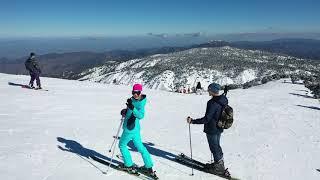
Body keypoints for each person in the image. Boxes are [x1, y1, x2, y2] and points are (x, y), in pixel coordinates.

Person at [186, 82, 229, 175]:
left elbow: (207, 119)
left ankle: (219, 168)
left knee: (214, 147)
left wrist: (193, 121)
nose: (208, 91)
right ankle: (219, 164)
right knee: (217, 146)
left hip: (212, 129)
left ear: (213, 91)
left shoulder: (212, 103)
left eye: (209, 89)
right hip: (219, 126)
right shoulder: (223, 99)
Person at [118, 84, 155, 175]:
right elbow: (130, 111)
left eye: (137, 92)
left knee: (122, 145)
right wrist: (125, 111)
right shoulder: (133, 100)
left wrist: (132, 108)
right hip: (136, 130)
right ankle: (148, 167)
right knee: (140, 147)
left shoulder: (141, 103)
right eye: (133, 92)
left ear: (140, 92)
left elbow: (141, 115)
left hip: (129, 129)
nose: (135, 94)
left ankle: (128, 165)